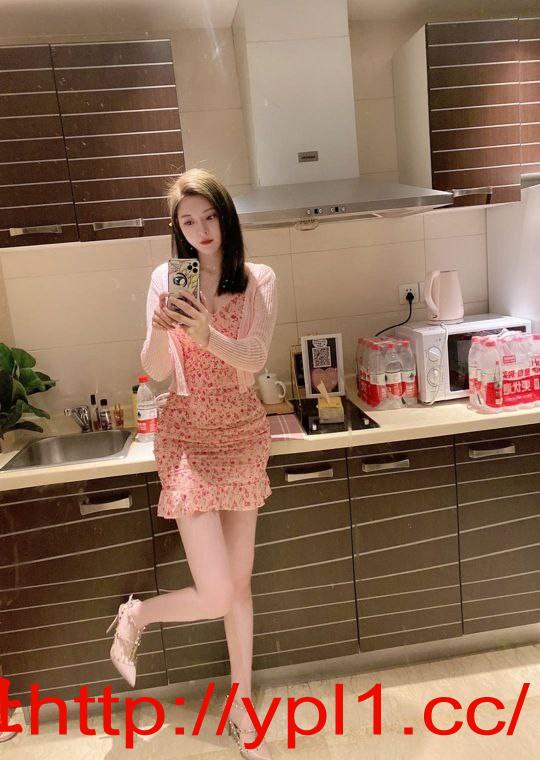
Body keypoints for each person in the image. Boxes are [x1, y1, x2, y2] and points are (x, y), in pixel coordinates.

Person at [106, 168, 277, 759]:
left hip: (241, 429)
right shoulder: (166, 278)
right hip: (187, 436)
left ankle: (241, 703)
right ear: (176, 229)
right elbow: (155, 369)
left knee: (239, 585)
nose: (200, 230)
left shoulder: (256, 279)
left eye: (209, 217)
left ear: (226, 217)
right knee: (217, 593)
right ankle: (139, 614)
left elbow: (252, 360)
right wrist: (160, 329)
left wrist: (205, 332)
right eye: (187, 221)